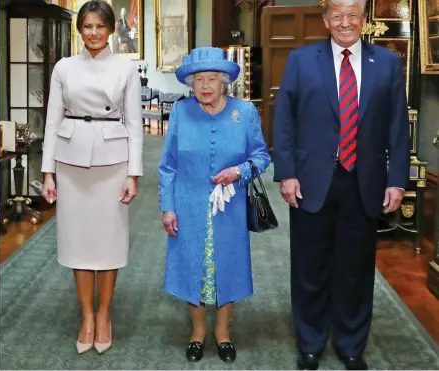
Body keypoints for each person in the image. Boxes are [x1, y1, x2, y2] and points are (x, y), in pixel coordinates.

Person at [273, 0, 410, 369]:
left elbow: (398, 126)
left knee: (356, 267)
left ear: (363, 21)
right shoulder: (301, 60)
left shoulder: (387, 64)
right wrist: (286, 172)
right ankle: (310, 342)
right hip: (311, 180)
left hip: (364, 182)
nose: (344, 22)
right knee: (309, 266)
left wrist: (397, 180)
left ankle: (351, 343)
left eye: (352, 15)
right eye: (337, 15)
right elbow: (284, 119)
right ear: (325, 19)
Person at [41, 0, 143, 355]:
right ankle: (86, 315)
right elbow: (52, 122)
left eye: (101, 26)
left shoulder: (124, 69)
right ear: (79, 29)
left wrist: (133, 173)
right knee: (78, 243)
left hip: (113, 162)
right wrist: (48, 172)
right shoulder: (64, 67)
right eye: (88, 26)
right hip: (70, 163)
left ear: (112, 29)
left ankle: (104, 313)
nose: (94, 33)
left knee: (108, 243)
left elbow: (134, 125)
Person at [159, 47, 271, 363]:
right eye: (199, 80)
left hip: (230, 207)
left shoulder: (245, 112)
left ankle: (223, 333)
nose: (205, 85)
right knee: (191, 265)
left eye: (212, 79)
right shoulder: (181, 112)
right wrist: (168, 206)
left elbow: (262, 156)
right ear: (190, 84)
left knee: (228, 267)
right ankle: (197, 332)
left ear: (224, 82)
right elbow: (168, 164)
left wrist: (240, 170)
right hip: (188, 204)